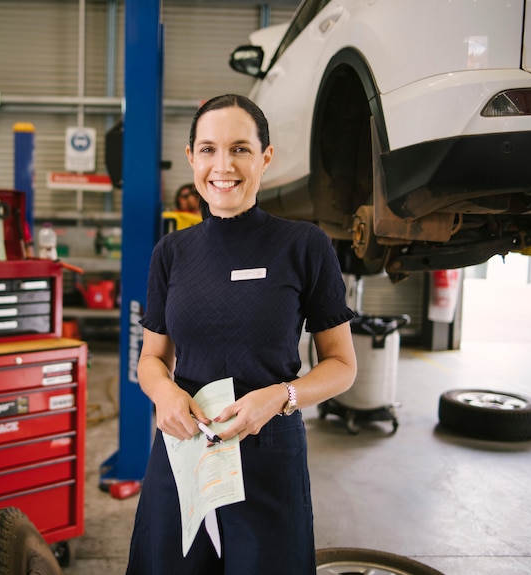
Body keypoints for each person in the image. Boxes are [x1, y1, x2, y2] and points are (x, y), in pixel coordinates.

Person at [125, 94, 357, 574]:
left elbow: (342, 366)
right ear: (191, 157)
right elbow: (151, 360)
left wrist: (279, 396)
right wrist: (165, 395)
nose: (222, 165)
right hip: (185, 451)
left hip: (269, 454)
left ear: (265, 157)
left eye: (240, 149)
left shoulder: (303, 245)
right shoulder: (172, 252)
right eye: (208, 149)